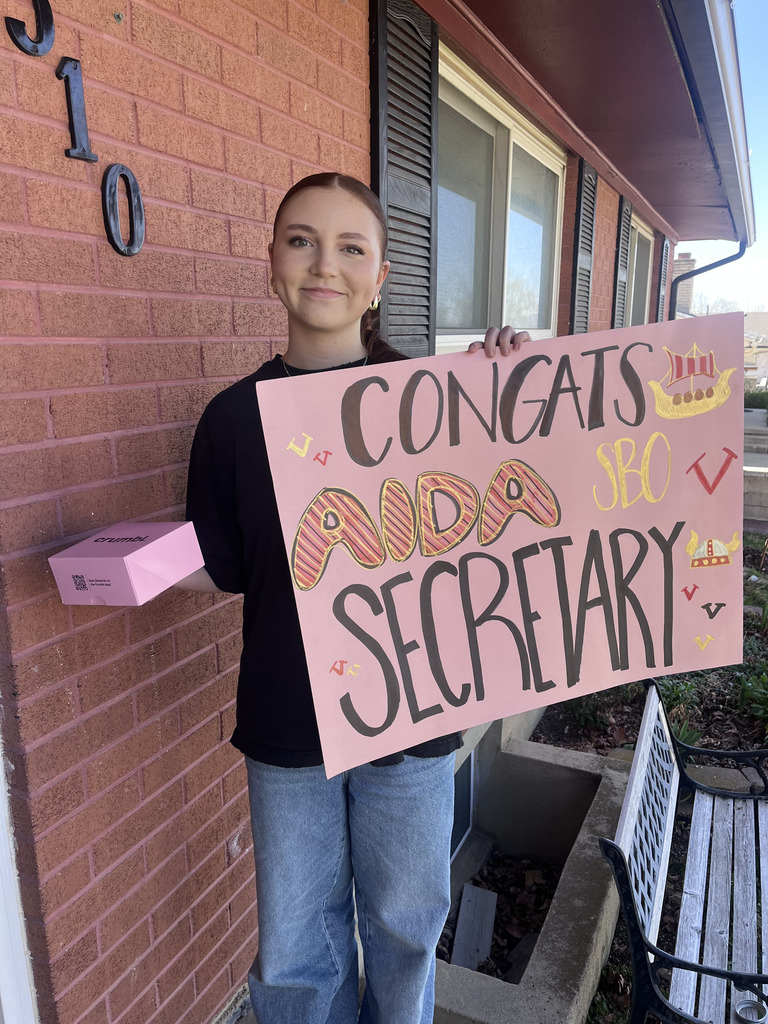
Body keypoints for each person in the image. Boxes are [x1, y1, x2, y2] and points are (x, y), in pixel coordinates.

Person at [182, 172, 530, 1024]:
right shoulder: (230, 420)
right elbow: (225, 566)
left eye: (351, 247)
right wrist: (132, 564)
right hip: (286, 717)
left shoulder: (439, 404)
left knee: (405, 928)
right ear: (271, 264)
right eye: (301, 240)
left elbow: (509, 523)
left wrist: (513, 400)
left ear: (379, 278)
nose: (323, 264)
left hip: (409, 716)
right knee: (299, 949)